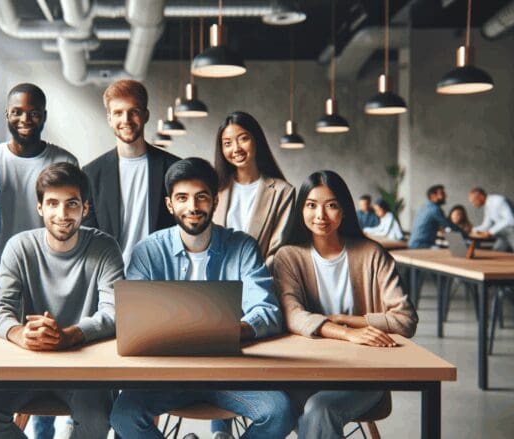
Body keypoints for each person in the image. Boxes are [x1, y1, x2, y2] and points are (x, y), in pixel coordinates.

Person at [110, 158, 294, 439]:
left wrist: (234, 330)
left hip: (229, 374)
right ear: (170, 204)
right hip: (166, 377)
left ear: (215, 201)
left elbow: (268, 311)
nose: (193, 207)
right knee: (123, 416)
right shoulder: (147, 251)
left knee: (279, 411)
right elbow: (131, 319)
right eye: (182, 198)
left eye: (201, 197)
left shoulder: (242, 246)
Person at [0, 162, 125, 439]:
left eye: (71, 204)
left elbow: (115, 312)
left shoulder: (105, 248)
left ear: (85, 208)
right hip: (29, 361)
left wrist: (69, 336)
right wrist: (19, 333)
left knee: (97, 420)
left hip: (85, 367)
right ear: (40, 207)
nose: (62, 214)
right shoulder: (20, 246)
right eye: (53, 203)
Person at [273, 170, 418, 439]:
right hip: (306, 372)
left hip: (365, 375)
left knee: (319, 410)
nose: (321, 216)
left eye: (331, 205)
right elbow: (292, 315)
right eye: (311, 205)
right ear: (300, 209)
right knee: (286, 407)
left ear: (344, 209)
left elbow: (406, 319)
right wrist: (346, 333)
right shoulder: (288, 256)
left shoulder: (372, 254)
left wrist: (348, 319)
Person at [83, 79, 180, 266]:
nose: (126, 120)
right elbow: (89, 237)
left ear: (145, 115)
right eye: (118, 113)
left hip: (160, 275)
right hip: (110, 277)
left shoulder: (173, 168)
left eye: (133, 112)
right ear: (110, 119)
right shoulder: (91, 174)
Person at [0, 82, 79, 252]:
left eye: (34, 113)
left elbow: (72, 221)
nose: (25, 120)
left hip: (49, 262)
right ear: (7, 114)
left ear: (44, 116)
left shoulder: (65, 161)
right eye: (17, 112)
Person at [212, 111, 295, 268]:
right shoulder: (214, 189)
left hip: (261, 281)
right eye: (227, 143)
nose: (236, 148)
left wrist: (253, 280)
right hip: (218, 281)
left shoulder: (283, 191)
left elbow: (277, 251)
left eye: (243, 138)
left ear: (256, 140)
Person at [408, 184, 456, 249]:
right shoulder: (435, 209)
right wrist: (465, 232)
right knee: (443, 252)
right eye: (442, 193)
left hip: (413, 243)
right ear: (433, 196)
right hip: (422, 245)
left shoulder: (424, 207)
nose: (445, 196)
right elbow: (448, 225)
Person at [468, 187, 514, 252]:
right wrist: (473, 230)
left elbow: (510, 220)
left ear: (480, 196)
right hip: (505, 234)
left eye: (473, 201)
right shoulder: (487, 205)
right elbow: (486, 225)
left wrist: (491, 232)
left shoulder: (498, 200)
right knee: (496, 252)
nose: (473, 205)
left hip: (512, 230)